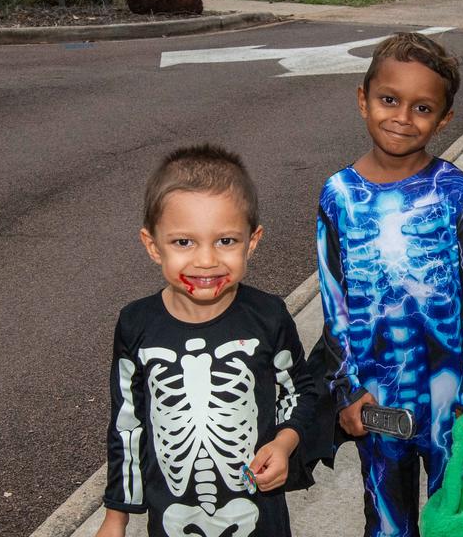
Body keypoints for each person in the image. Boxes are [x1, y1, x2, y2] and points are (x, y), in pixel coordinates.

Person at [316, 32, 463, 537]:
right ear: (363, 99)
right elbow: (334, 307)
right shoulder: (338, 197)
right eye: (389, 100)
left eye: (422, 108)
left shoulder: (456, 191)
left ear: (443, 120)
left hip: (449, 400)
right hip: (377, 399)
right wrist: (347, 390)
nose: (401, 117)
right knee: (387, 521)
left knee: (456, 521)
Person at [97, 144, 316, 537]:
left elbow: (301, 391)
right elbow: (126, 427)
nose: (206, 260)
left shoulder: (267, 316)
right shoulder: (136, 324)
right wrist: (116, 517)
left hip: (259, 520)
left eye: (226, 241)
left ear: (252, 241)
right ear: (153, 245)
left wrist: (285, 442)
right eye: (184, 242)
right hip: (170, 521)